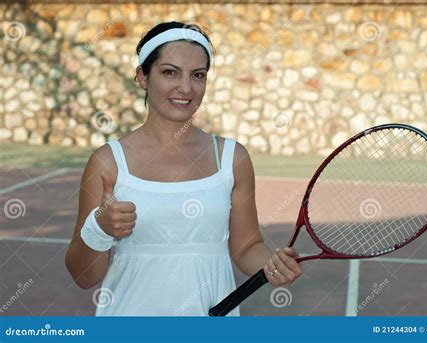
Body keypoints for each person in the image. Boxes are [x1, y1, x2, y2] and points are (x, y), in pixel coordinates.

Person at [65, 21, 303, 316]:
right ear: (142, 76)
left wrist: (272, 264)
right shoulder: (107, 162)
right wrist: (99, 228)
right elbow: (83, 276)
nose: (186, 88)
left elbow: (246, 248)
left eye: (198, 75)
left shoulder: (232, 158)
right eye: (169, 72)